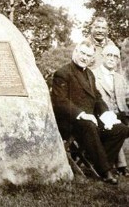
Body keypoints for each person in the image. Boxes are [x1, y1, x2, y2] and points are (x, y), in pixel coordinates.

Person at [51, 40, 129, 184]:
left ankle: (100, 163)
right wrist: (82, 114)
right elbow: (60, 102)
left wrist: (106, 115)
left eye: (88, 55)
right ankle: (105, 171)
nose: (84, 57)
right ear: (76, 52)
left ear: (92, 58)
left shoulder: (89, 74)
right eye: (82, 53)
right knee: (89, 125)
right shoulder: (62, 73)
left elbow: (97, 98)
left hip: (89, 121)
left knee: (120, 129)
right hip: (70, 122)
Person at [92, 44, 129, 176]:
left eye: (115, 56)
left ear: (118, 60)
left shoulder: (120, 78)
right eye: (109, 55)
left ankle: (119, 165)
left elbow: (127, 97)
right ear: (102, 56)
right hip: (102, 115)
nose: (112, 58)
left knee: (121, 124)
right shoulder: (93, 75)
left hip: (122, 113)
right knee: (119, 128)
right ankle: (119, 165)